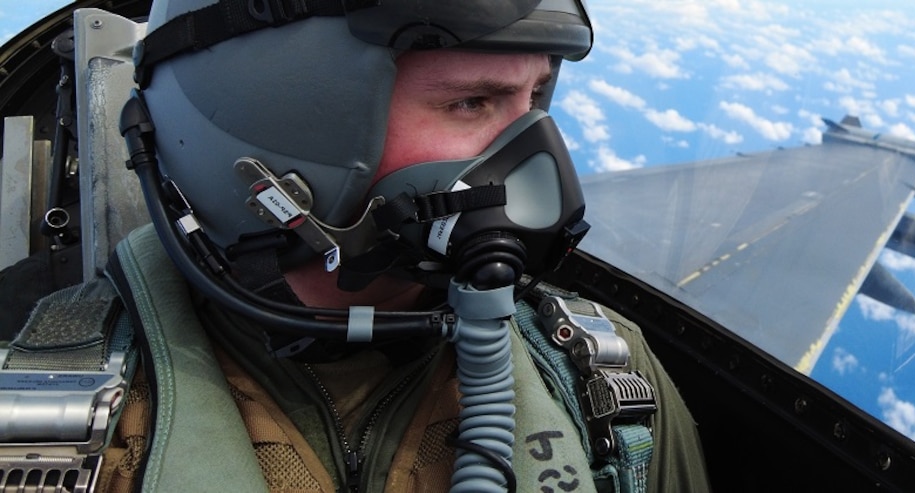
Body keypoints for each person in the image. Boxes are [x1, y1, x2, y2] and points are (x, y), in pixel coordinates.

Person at [3, 0, 710, 492]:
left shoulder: (608, 384)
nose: (537, 160)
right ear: (280, 125)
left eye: (535, 98)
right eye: (471, 103)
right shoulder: (34, 412)